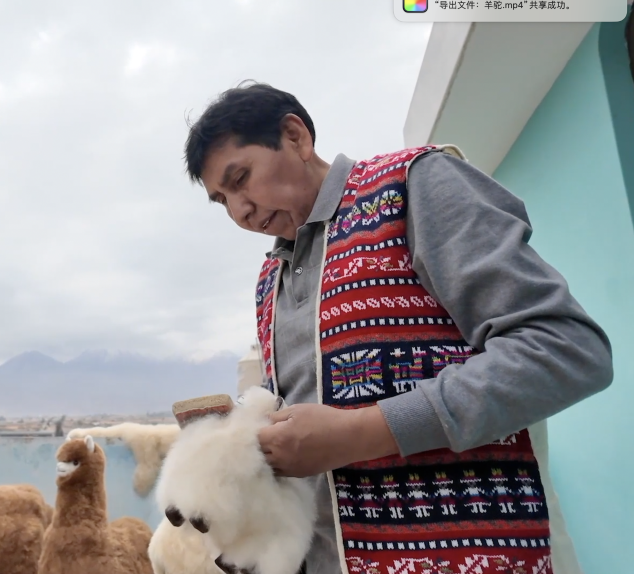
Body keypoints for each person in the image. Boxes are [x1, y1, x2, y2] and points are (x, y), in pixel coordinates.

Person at [182, 81, 613, 574]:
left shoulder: (413, 186)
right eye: (222, 200)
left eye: (241, 179)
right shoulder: (270, 280)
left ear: (295, 136)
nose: (240, 211)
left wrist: (362, 432)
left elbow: (566, 349)